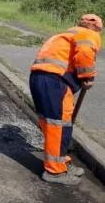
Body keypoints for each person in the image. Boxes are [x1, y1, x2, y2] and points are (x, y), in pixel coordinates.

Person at [29, 13, 102, 185]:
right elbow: (85, 53)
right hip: (55, 81)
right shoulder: (88, 34)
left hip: (43, 79)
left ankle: (61, 162)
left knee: (58, 123)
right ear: (95, 27)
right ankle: (55, 172)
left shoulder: (65, 35)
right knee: (57, 126)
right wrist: (87, 76)